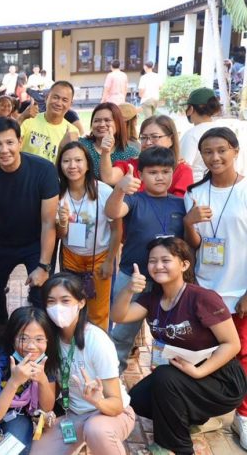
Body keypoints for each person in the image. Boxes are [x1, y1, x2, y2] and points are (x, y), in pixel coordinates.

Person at [111, 237, 247, 454]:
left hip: (222, 379)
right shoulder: (152, 299)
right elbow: (119, 315)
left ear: (184, 264)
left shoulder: (202, 298)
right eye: (153, 261)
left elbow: (232, 345)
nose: (158, 266)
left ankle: (175, 446)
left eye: (166, 260)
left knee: (165, 378)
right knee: (138, 400)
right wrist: (129, 289)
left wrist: (199, 371)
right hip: (185, 373)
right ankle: (191, 418)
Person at [182, 127, 247, 448]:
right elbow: (194, 247)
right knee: (204, 353)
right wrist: (189, 222)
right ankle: (204, 411)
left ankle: (243, 417)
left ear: (235, 150)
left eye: (222, 150)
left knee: (243, 355)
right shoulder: (194, 192)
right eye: (208, 152)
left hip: (239, 292)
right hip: (206, 291)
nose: (215, 157)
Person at [0, 117, 58, 322]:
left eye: (9, 142)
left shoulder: (44, 170)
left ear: (20, 142)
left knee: (41, 293)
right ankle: (3, 330)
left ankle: (38, 336)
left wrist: (44, 266)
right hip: (3, 239)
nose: (4, 150)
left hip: (36, 240)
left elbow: (49, 222)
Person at [32, 273, 135, 455]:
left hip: (110, 413)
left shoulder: (96, 340)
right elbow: (47, 406)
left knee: (96, 430)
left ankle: (95, 440)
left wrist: (98, 402)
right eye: (51, 302)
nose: (58, 308)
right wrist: (40, 378)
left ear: (81, 302)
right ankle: (85, 441)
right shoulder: (48, 340)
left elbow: (116, 404)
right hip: (74, 415)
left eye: (65, 301)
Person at [105, 146, 186, 372]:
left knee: (171, 335)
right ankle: (113, 381)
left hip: (169, 282)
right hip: (133, 277)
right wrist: (119, 190)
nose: (160, 177)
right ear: (141, 174)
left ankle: (163, 381)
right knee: (121, 333)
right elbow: (112, 212)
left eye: (165, 171)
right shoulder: (134, 200)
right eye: (152, 172)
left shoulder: (181, 204)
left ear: (173, 172)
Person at [56, 142, 121, 330]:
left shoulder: (104, 191)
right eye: (66, 161)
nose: (72, 166)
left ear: (87, 164)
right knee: (71, 309)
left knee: (99, 313)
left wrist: (110, 261)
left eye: (78, 160)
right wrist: (62, 222)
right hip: (70, 259)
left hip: (100, 258)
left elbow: (117, 230)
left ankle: (98, 354)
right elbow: (61, 235)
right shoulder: (58, 194)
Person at [0, 307, 58, 455]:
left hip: (19, 415)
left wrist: (42, 380)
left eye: (39, 339)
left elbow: (46, 408)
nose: (31, 346)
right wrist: (14, 382)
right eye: (23, 338)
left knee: (17, 448)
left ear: (48, 339)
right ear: (12, 338)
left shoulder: (45, 359)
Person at [101, 115, 192, 198]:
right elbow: (108, 178)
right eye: (144, 137)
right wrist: (105, 151)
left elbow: (180, 206)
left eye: (155, 137)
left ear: (171, 139)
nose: (148, 142)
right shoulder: (131, 166)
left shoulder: (182, 170)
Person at [20, 81, 79, 163]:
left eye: (64, 100)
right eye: (55, 97)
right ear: (47, 98)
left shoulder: (71, 132)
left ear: (70, 104)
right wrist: (21, 117)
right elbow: (10, 141)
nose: (59, 103)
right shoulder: (29, 120)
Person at [80, 103, 139, 180]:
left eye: (107, 120)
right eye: (97, 121)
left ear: (118, 123)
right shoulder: (81, 146)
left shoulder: (131, 153)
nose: (102, 124)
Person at [179, 87, 223, 182]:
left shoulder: (191, 135)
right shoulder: (225, 131)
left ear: (190, 109)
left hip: (195, 188)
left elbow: (183, 167)